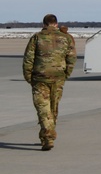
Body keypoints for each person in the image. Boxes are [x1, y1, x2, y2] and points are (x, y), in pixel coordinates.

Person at [23, 14, 76, 151]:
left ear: (44, 24)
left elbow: (28, 59)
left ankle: (48, 137)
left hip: (40, 78)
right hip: (58, 78)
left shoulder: (37, 38)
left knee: (43, 108)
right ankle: (46, 136)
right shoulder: (66, 38)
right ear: (56, 24)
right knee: (53, 108)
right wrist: (66, 74)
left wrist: (29, 77)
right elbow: (71, 58)